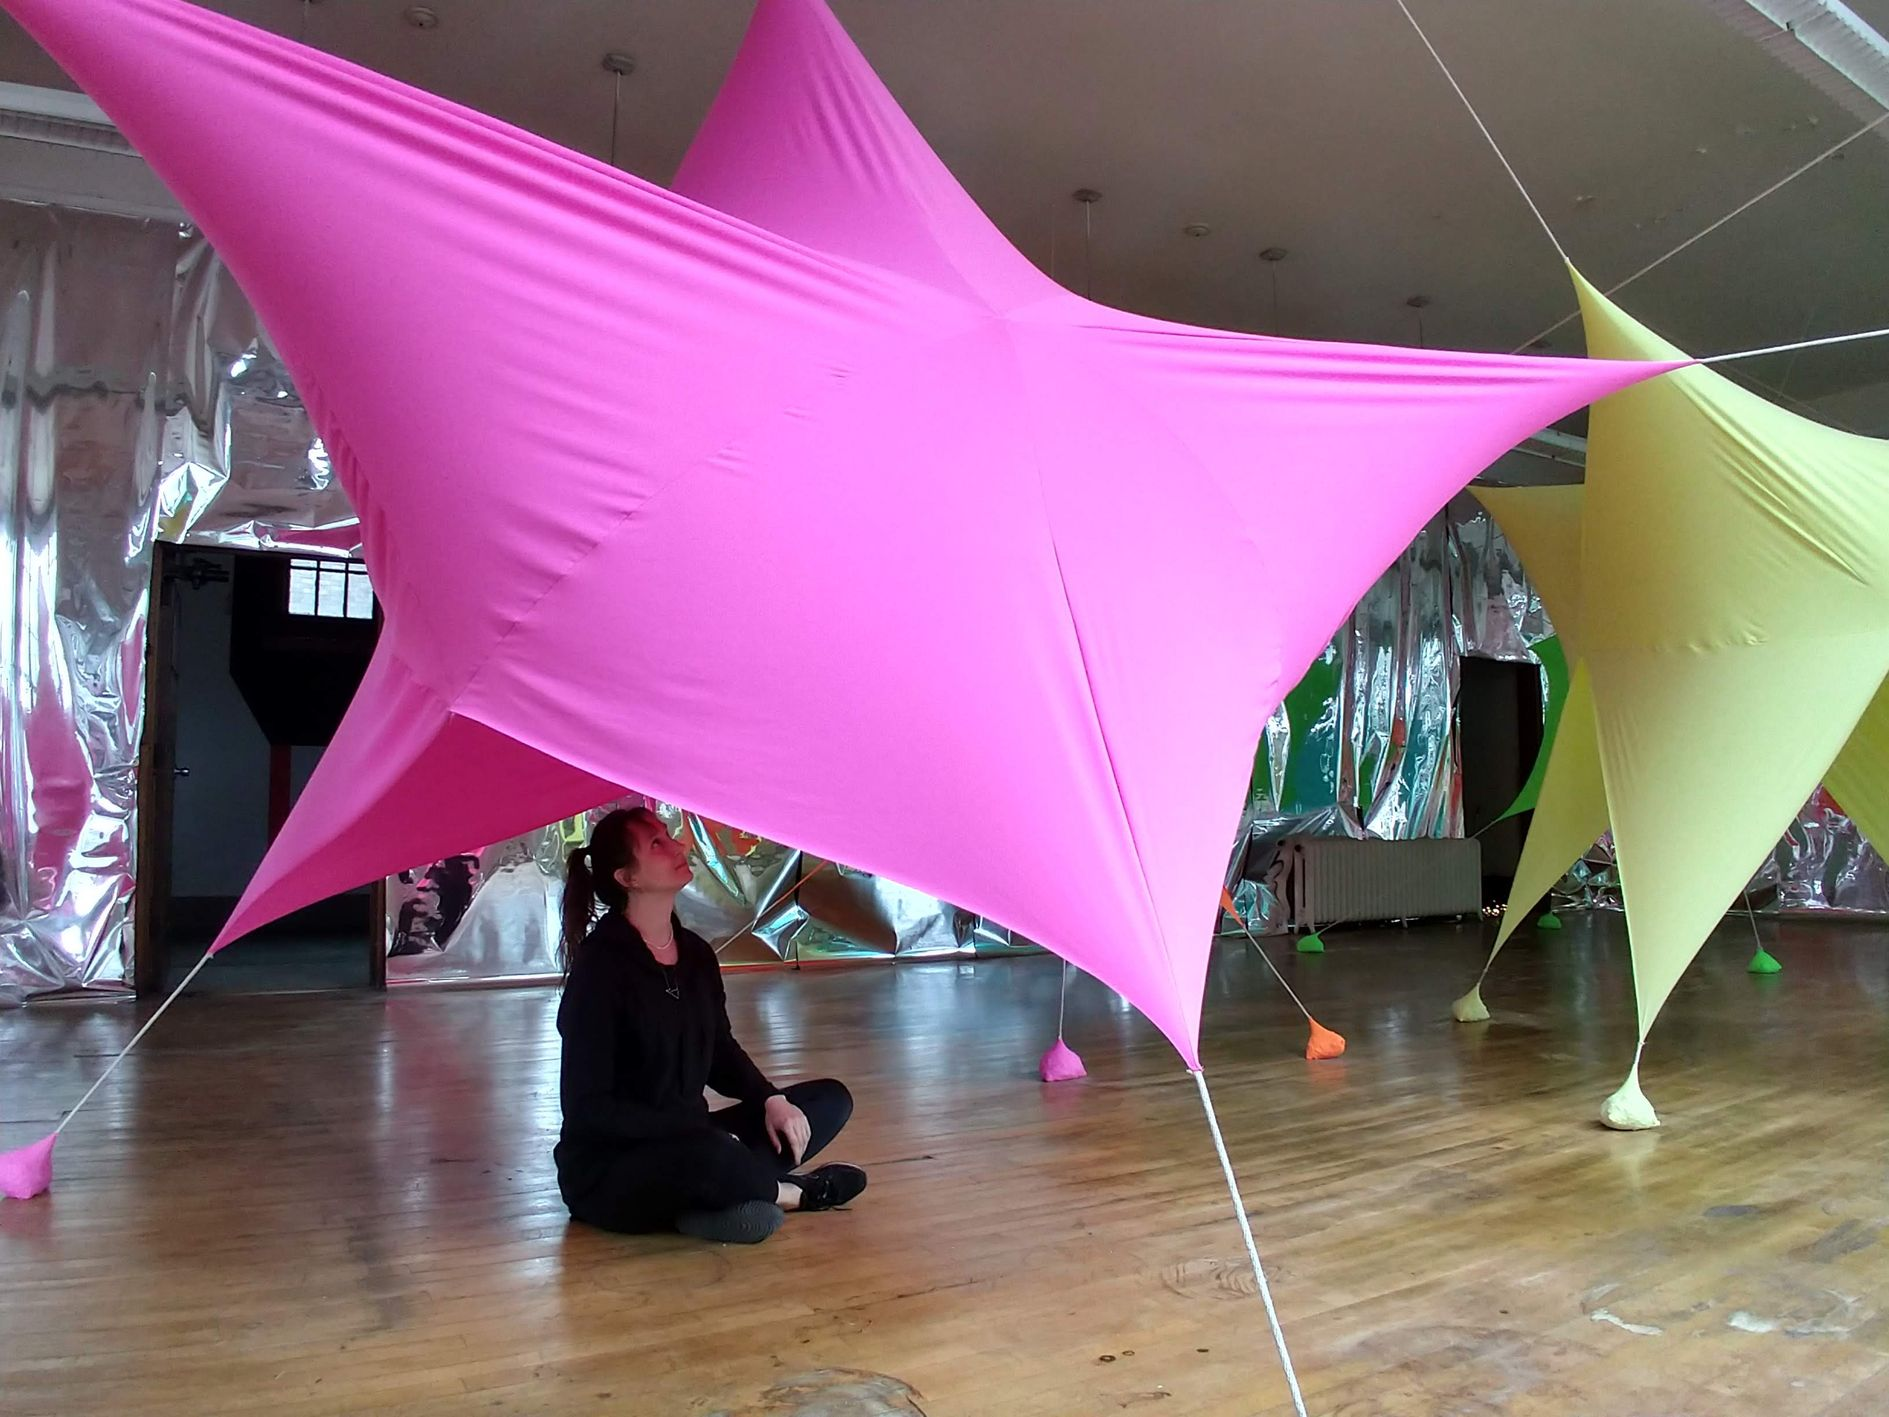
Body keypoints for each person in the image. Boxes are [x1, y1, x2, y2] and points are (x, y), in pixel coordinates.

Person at [555, 807, 866, 1244]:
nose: (677, 846)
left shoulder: (696, 955)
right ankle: (794, 1193)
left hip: (694, 1141)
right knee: (711, 1155)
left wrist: (770, 1099)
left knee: (827, 1101)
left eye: (668, 835)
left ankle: (717, 1200)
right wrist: (692, 1134)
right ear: (628, 877)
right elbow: (589, 1111)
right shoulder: (600, 969)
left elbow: (719, 1050)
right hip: (613, 1169)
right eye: (657, 844)